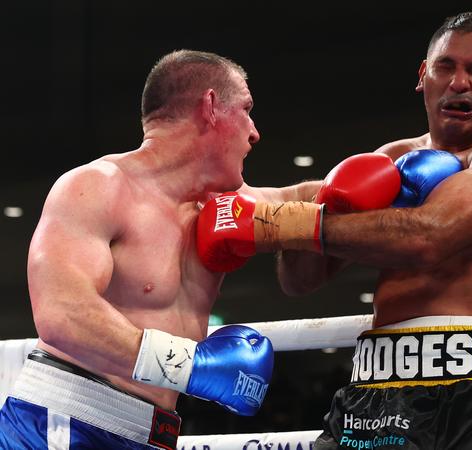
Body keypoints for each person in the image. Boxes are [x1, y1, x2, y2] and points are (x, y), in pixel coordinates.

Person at [198, 11, 472, 450]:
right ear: (423, 76)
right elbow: (299, 280)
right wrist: (220, 203)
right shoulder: (389, 160)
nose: (459, 82)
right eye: (446, 66)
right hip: (375, 386)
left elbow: (430, 236)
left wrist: (286, 224)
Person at [0, 49, 302, 450]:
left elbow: (305, 199)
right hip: (63, 423)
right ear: (211, 106)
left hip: (150, 433)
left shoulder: (221, 206)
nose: (254, 131)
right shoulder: (98, 186)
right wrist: (193, 368)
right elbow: (63, 315)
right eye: (246, 109)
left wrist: (400, 167)